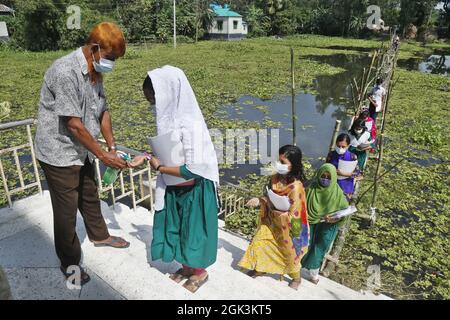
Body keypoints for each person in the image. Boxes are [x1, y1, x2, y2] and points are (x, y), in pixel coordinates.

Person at [34, 22, 130, 287]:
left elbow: (103, 109)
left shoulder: (95, 72)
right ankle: (69, 262)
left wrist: (110, 145)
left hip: (83, 150)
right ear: (95, 47)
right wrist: (103, 155)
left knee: (89, 193)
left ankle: (100, 236)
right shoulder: (65, 71)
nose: (111, 63)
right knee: (65, 214)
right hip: (59, 152)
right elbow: (73, 123)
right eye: (110, 57)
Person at [129, 66, 220, 293]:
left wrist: (159, 166)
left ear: (169, 94)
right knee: (178, 229)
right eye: (151, 102)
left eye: (155, 101)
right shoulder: (170, 121)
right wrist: (148, 156)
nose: (155, 107)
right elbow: (170, 150)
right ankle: (186, 267)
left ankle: (200, 272)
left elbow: (192, 170)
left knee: (193, 233)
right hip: (176, 186)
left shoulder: (192, 126)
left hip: (195, 191)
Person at [238, 145, 309, 291]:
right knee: (259, 241)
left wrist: (273, 207)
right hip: (271, 221)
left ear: (293, 165)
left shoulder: (296, 187)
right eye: (278, 160)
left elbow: (294, 215)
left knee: (289, 254)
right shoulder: (275, 177)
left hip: (289, 229)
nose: (279, 165)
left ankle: (296, 278)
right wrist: (261, 200)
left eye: (283, 162)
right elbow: (268, 195)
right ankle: (261, 267)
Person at [301, 164, 349, 285]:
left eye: (329, 177)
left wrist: (333, 219)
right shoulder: (310, 189)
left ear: (333, 178)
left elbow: (344, 213)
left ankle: (314, 273)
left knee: (319, 249)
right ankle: (298, 267)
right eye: (323, 176)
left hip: (327, 226)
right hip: (309, 222)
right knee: (305, 245)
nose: (325, 179)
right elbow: (301, 205)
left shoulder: (338, 195)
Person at [326, 134, 358, 201]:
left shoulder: (352, 157)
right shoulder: (331, 154)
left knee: (342, 207)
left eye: (343, 147)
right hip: (332, 185)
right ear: (336, 144)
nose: (340, 149)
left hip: (346, 187)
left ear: (348, 146)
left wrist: (344, 174)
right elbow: (326, 168)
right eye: (338, 146)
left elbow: (358, 174)